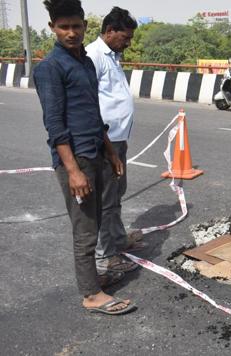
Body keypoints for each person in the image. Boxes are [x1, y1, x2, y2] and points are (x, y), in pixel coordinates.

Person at [34, 0, 135, 315]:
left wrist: (110, 153)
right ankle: (91, 294)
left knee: (100, 216)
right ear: (52, 28)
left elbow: (93, 112)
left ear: (85, 27)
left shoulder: (86, 62)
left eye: (76, 26)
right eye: (64, 27)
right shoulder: (50, 68)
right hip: (75, 159)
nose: (71, 32)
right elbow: (55, 126)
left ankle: (96, 278)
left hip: (96, 152)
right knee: (85, 229)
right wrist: (73, 171)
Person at [86, 6, 140, 279]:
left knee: (117, 192)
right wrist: (109, 147)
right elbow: (90, 105)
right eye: (125, 37)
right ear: (109, 31)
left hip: (119, 139)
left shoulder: (112, 56)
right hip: (106, 141)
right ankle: (106, 257)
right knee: (107, 200)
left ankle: (118, 240)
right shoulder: (93, 56)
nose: (128, 43)